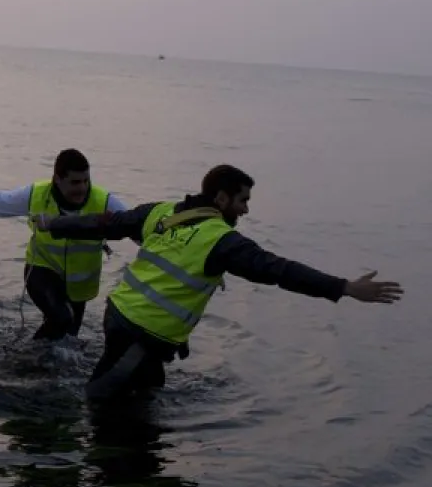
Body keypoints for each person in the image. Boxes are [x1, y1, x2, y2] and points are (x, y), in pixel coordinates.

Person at [39, 164, 403, 402]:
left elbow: (103, 224)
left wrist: (53, 224)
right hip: (142, 335)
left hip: (119, 317)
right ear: (221, 198)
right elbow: (277, 270)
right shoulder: (220, 240)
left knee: (147, 395)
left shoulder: (162, 212)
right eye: (242, 200)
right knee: (100, 400)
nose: (245, 209)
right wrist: (344, 287)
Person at [0, 149, 127, 341]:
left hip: (78, 286)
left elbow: (136, 225)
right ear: (57, 179)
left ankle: (42, 361)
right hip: (41, 271)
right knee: (61, 318)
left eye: (86, 181)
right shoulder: (38, 194)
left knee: (68, 338)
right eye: (75, 182)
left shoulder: (104, 201)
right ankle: (27, 360)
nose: (82, 188)